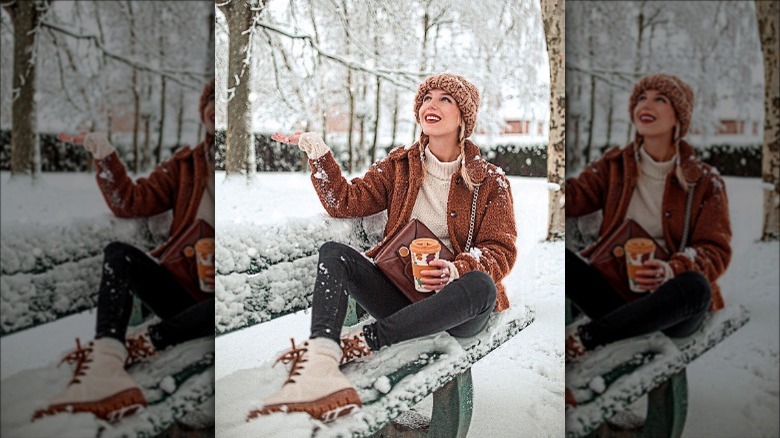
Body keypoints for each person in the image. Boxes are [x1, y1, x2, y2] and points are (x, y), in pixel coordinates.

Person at [252, 73, 517, 421]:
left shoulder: (490, 181)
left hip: (456, 310)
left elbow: (500, 249)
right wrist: (317, 152)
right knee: (334, 254)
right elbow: (345, 201)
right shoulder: (399, 167)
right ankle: (321, 360)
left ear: (463, 118)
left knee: (481, 285)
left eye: (445, 99)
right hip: (401, 298)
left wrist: (457, 270)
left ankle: (363, 342)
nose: (431, 105)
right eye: (426, 98)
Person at [32, 78, 216, 421]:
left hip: (220, 308)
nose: (216, 108)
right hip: (183, 294)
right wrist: (105, 155)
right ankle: (106, 362)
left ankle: (146, 342)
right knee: (120, 254)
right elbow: (130, 201)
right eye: (211, 100)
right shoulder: (185, 165)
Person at [564, 74, 732, 402]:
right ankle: (591, 349)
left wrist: (672, 269)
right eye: (641, 98)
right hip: (615, 296)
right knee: (564, 259)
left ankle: (584, 339)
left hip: (670, 308)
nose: (646, 104)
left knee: (696, 286)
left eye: (660, 99)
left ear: (678, 117)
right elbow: (571, 197)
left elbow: (715, 250)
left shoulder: (706, 182)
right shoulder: (613, 167)